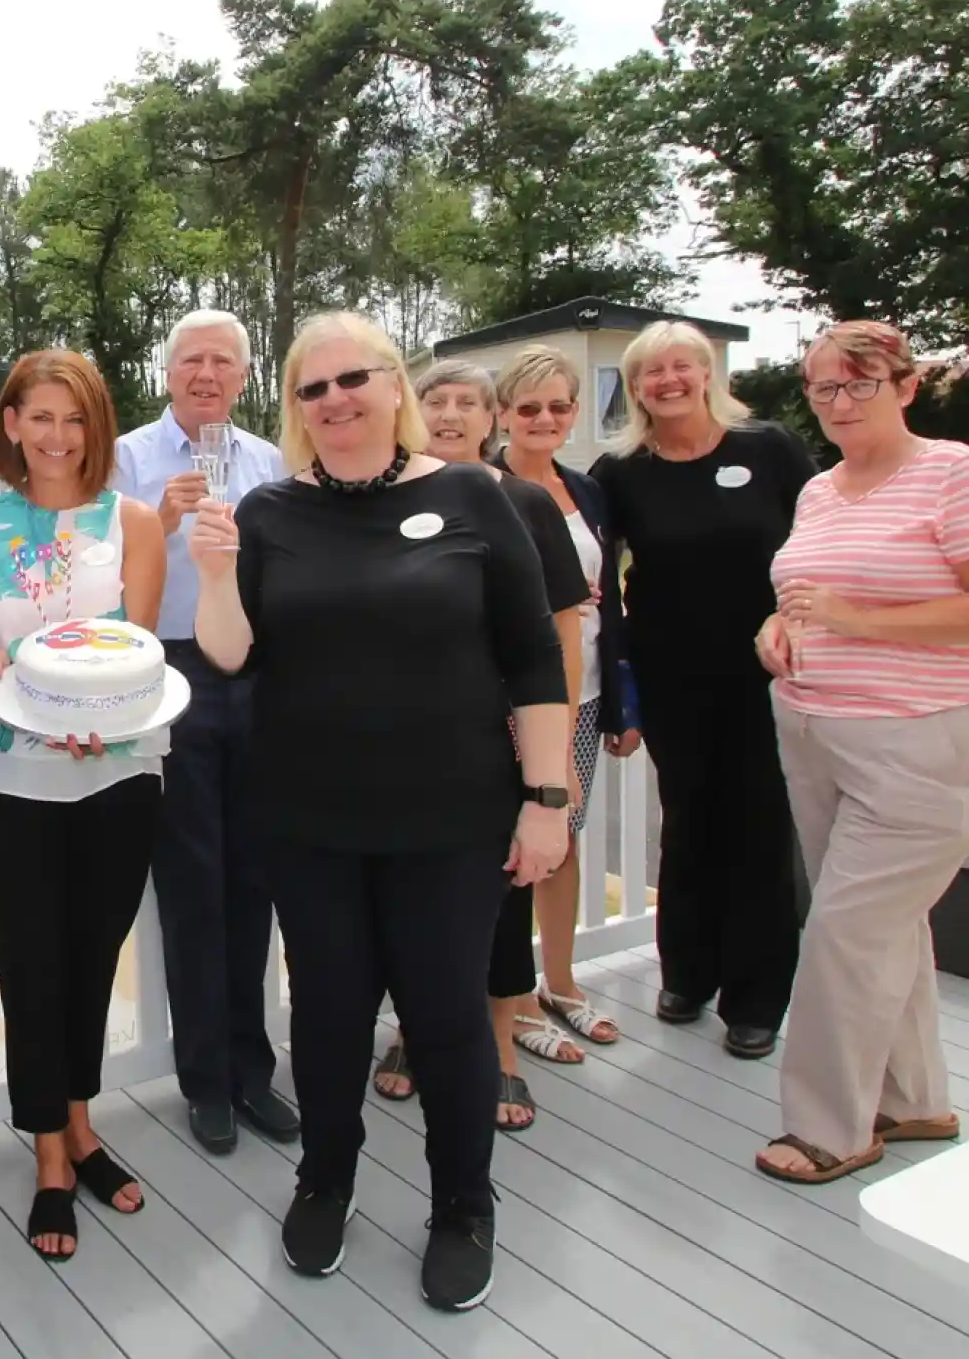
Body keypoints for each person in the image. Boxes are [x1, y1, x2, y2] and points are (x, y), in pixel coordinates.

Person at [191, 312, 571, 1313]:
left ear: (391, 383)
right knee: (324, 1012)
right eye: (311, 389)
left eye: (351, 379)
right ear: (294, 405)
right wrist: (214, 568)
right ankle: (325, 1177)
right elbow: (231, 653)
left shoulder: (468, 496)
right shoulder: (269, 509)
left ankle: (461, 1203)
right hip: (308, 817)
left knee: (445, 1015)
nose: (333, 401)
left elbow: (532, 656)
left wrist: (545, 798)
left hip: (448, 816)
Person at [0, 349, 167, 1260]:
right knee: (34, 962)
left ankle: (81, 1124)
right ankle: (49, 1151)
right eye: (38, 416)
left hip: (120, 768)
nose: (56, 435)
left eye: (74, 418)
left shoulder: (137, 523)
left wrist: (103, 717)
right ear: (9, 424)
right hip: (14, 775)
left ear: (98, 427)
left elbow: (142, 647)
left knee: (93, 955)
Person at [752, 322, 969, 1184]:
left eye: (859, 385)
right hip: (812, 731)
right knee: (884, 929)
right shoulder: (821, 491)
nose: (839, 403)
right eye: (822, 389)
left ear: (905, 386)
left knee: (844, 933)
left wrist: (860, 622)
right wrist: (778, 629)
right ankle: (915, 1098)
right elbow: (804, 597)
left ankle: (828, 1127)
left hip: (915, 742)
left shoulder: (951, 474)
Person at [369, 361, 587, 1133]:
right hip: (409, 743)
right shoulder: (381, 499)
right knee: (409, 899)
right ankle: (413, 1036)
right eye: (437, 400)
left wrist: (553, 764)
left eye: (468, 402)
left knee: (502, 895)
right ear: (412, 411)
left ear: (491, 418)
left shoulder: (523, 502)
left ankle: (499, 1047)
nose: (452, 413)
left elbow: (561, 636)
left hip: (505, 740)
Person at [592, 321, 816, 1058]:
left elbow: (817, 539)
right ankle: (689, 971)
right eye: (651, 372)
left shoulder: (768, 448)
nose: (668, 381)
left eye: (682, 366)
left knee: (757, 824)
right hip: (672, 671)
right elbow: (596, 572)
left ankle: (756, 997)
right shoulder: (622, 473)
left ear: (707, 371)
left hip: (766, 671)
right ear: (635, 388)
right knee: (687, 819)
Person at [111, 308, 297, 1155]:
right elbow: (96, 567)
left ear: (245, 377)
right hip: (166, 667)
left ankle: (254, 1072)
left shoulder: (268, 461)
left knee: (253, 876)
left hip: (252, 669)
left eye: (224, 362)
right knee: (190, 880)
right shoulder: (127, 459)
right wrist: (157, 515)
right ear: (167, 373)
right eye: (192, 361)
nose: (207, 375)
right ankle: (206, 1081)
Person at [494, 345, 636, 1055]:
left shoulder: (588, 490)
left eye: (558, 406)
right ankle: (511, 995)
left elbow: (612, 597)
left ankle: (560, 981)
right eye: (528, 408)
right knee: (511, 847)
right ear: (504, 414)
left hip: (583, 691)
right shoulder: (480, 488)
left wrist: (623, 704)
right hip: (508, 700)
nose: (544, 419)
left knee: (563, 837)